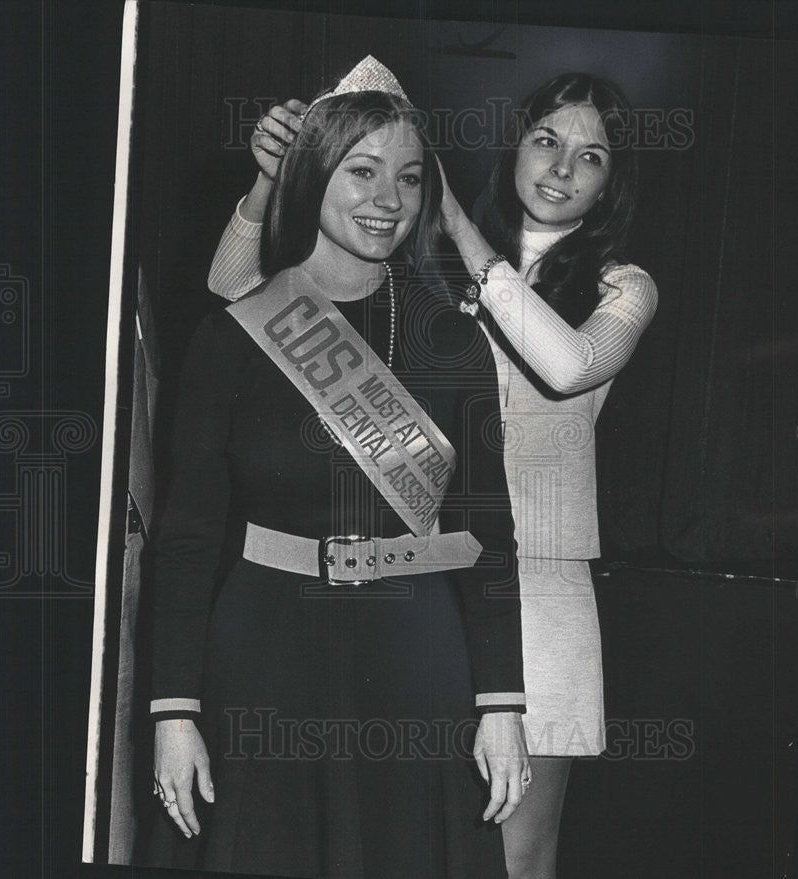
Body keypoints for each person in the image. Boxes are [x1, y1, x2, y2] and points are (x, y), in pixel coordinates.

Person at [207, 71, 658, 879]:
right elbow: (236, 291)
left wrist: (453, 220)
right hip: (431, 587)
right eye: (547, 141)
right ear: (513, 142)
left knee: (514, 856)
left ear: (611, 183)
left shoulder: (622, 286)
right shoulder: (419, 259)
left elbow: (567, 363)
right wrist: (278, 173)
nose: (561, 168)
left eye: (591, 158)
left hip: (540, 591)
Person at [146, 58, 530, 878]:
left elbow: (487, 533)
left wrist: (503, 701)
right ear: (313, 173)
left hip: (416, 650)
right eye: (361, 171)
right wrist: (173, 708)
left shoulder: (453, 340)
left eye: (409, 177)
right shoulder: (234, 337)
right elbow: (183, 538)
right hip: (263, 651)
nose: (388, 199)